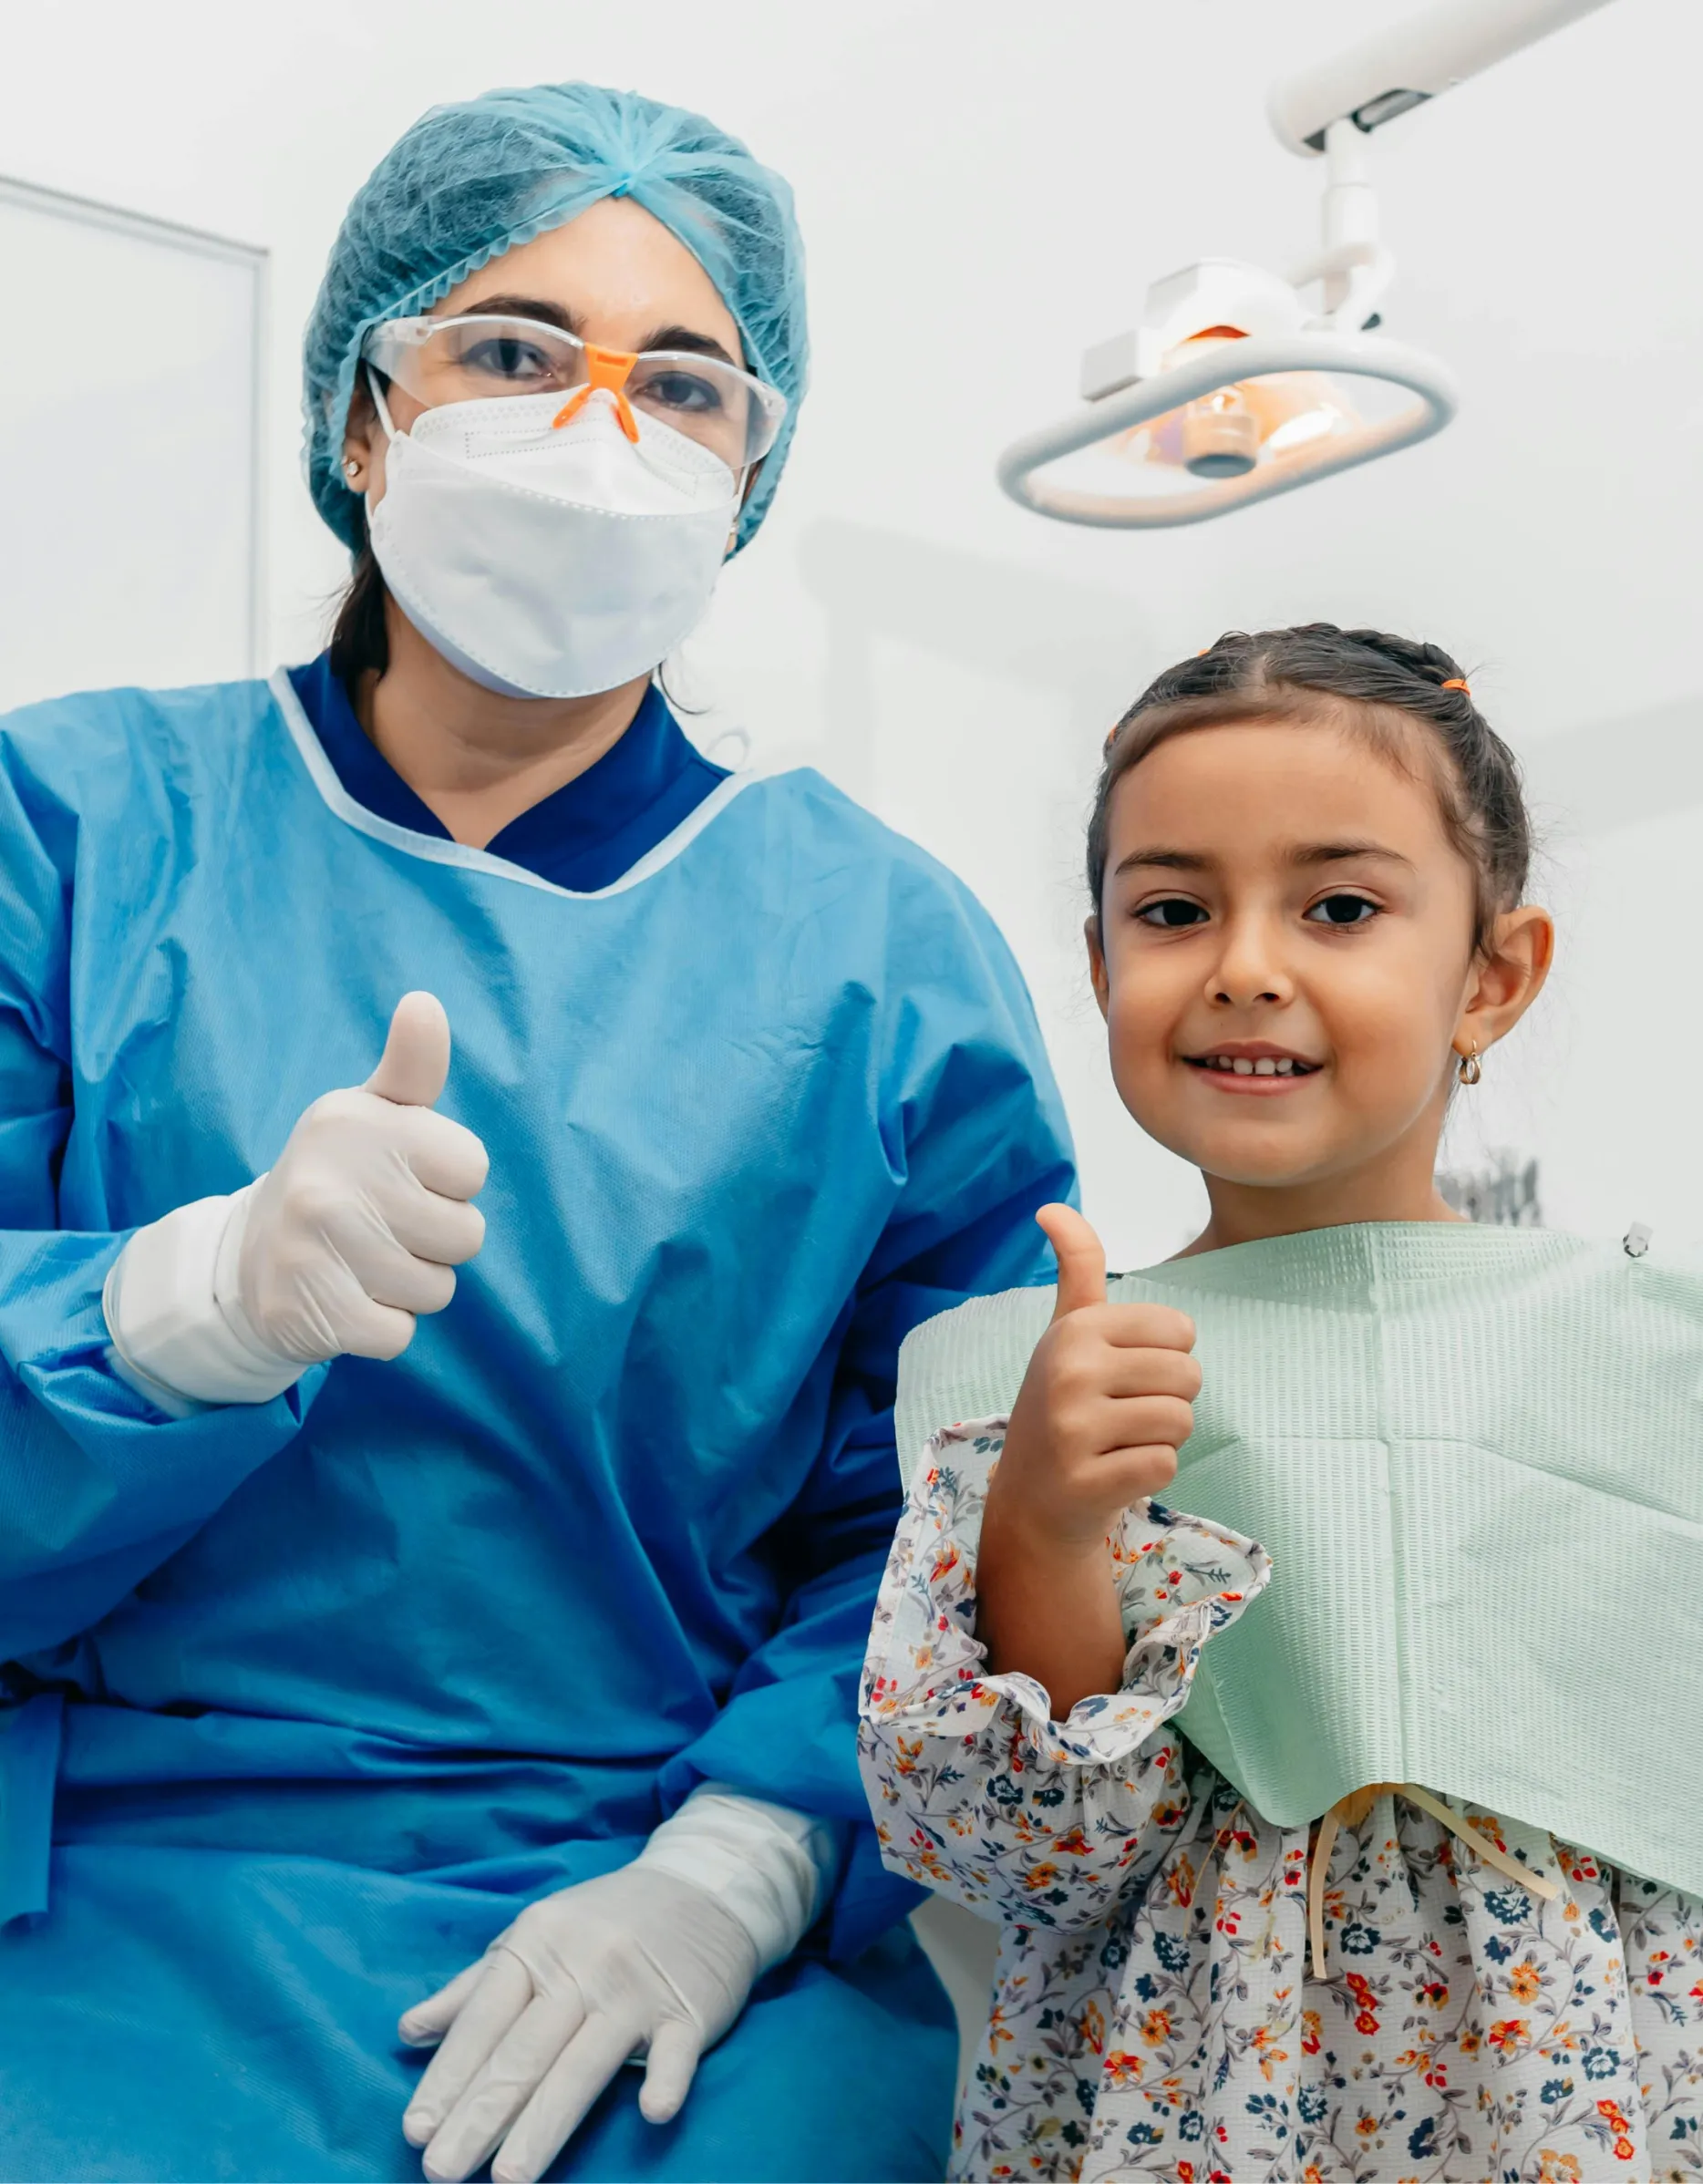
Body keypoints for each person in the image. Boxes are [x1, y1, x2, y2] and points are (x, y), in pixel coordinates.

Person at [0, 82, 1076, 2184]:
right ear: (364, 414)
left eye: (680, 381)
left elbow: (952, 1514)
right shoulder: (68, 829)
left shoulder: (883, 957)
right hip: (112, 1864)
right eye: (509, 351)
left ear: (748, 469)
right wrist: (179, 1301)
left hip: (655, 1877)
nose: (598, 431)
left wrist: (745, 1861)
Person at [859, 624, 1703, 2182]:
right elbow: (1016, 1854)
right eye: (1175, 910)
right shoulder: (1027, 1377)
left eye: (1340, 906)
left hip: (1582, 2103)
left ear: (1493, 976)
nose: (1246, 963)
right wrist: (1046, 1520)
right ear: (1103, 966)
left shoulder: (1647, 1356)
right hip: (1183, 2107)